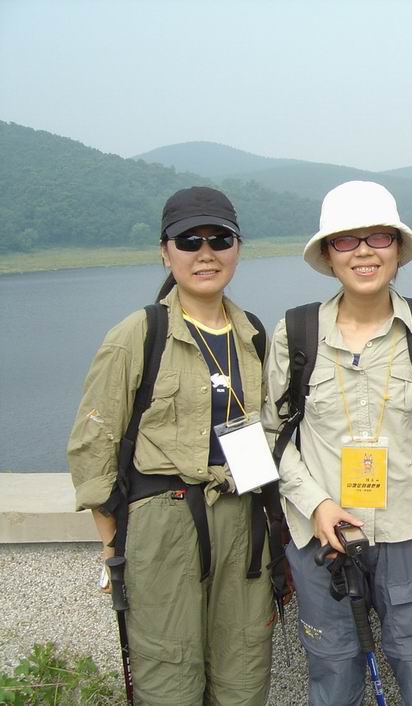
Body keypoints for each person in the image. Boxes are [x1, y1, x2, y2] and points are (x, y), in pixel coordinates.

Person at [67, 186, 277, 704]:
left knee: (245, 671)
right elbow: (94, 444)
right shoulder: (139, 333)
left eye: (219, 240)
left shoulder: (252, 334)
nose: (205, 253)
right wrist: (113, 544)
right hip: (163, 522)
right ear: (166, 252)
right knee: (169, 676)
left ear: (237, 248)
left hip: (243, 517)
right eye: (189, 241)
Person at [262, 180, 412, 706]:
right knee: (332, 673)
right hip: (321, 537)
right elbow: (270, 433)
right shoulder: (295, 333)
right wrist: (316, 503)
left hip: (411, 532)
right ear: (328, 254)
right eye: (346, 240)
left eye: (378, 237)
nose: (364, 252)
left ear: (398, 249)